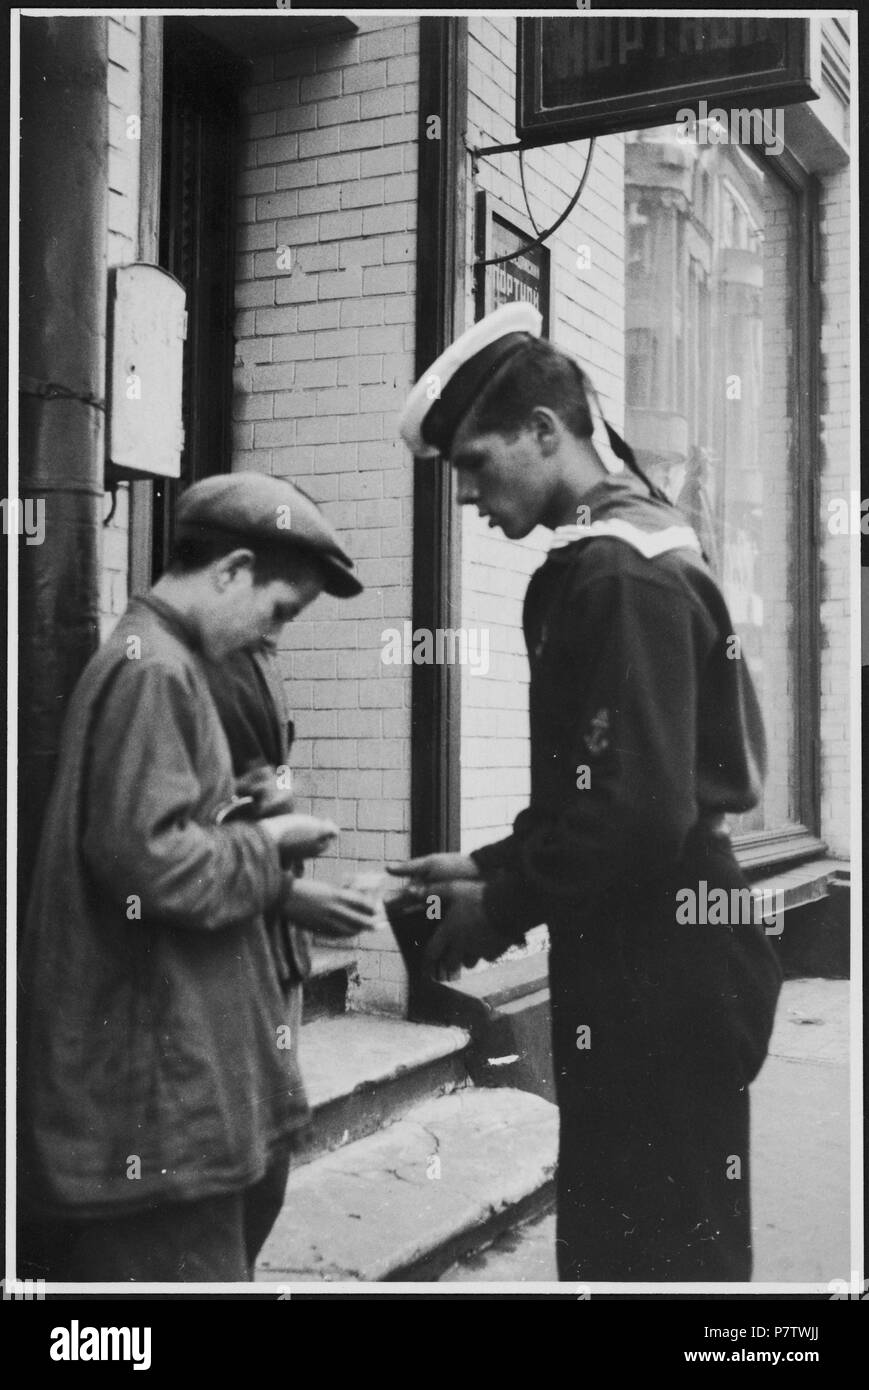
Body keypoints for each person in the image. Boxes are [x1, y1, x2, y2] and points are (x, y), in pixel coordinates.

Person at [391, 303, 782, 1282]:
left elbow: (637, 815)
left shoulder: (613, 572)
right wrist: (492, 866)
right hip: (659, 951)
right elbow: (606, 791)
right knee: (649, 1237)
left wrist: (499, 902)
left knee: (648, 1250)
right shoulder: (634, 547)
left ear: (542, 431)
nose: (471, 497)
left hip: (654, 965)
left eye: (477, 465)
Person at [18, 472, 364, 1282]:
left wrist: (234, 816)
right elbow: (150, 861)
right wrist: (270, 840)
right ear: (232, 570)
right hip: (159, 1101)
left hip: (167, 1086)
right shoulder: (158, 671)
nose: (269, 638)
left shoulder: (160, 657)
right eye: (278, 612)